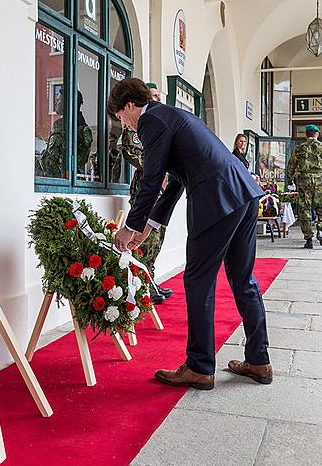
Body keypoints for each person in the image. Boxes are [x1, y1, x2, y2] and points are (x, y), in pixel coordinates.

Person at [108, 78, 271, 390]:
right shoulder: (171, 116)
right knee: (243, 278)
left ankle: (199, 366)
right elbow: (176, 180)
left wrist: (130, 227)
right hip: (243, 195)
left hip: (216, 200)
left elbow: (151, 179)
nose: (124, 125)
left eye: (120, 117)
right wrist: (149, 226)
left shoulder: (150, 121)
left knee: (198, 280)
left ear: (128, 105)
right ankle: (258, 360)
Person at [121, 82, 172, 304]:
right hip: (145, 186)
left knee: (156, 238)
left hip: (160, 187)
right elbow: (131, 153)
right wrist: (156, 166)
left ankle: (150, 280)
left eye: (158, 97)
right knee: (143, 241)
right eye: (153, 96)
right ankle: (142, 286)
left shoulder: (158, 124)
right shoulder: (134, 129)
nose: (156, 100)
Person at [286, 124, 322, 249]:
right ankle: (321, 230)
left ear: (306, 134)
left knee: (304, 209)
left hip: (304, 180)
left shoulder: (299, 148)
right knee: (321, 207)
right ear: (317, 134)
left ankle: (309, 239)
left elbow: (291, 165)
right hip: (320, 180)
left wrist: (290, 180)